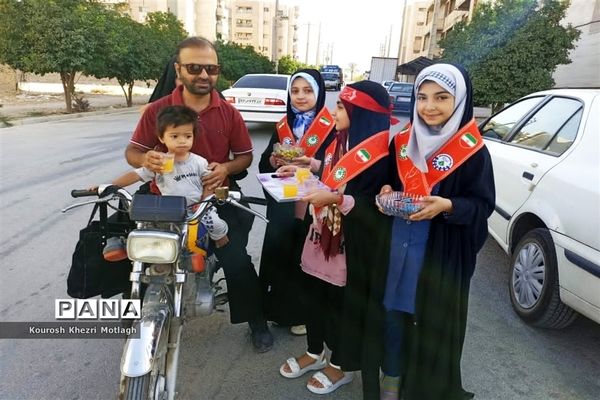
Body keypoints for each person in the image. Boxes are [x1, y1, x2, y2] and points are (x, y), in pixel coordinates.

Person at [125, 36, 273, 353]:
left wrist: (226, 169)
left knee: (237, 261)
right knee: (134, 255)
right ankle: (136, 312)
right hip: (164, 202)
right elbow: (133, 152)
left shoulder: (229, 113)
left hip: (214, 197)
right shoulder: (158, 110)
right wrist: (144, 159)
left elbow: (245, 156)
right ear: (179, 70)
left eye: (211, 68)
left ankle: (256, 322)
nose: (204, 75)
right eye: (194, 67)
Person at [378, 64, 495, 400]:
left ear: (459, 101)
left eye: (441, 98)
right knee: (392, 312)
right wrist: (386, 190)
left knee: (428, 319)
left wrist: (448, 205)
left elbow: (482, 205)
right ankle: (392, 376)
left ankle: (422, 387)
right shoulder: (402, 141)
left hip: (439, 251)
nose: (429, 106)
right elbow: (389, 179)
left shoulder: (474, 151)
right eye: (423, 97)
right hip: (398, 245)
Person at [278, 81, 393, 396]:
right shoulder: (338, 142)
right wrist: (305, 169)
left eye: (342, 107)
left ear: (363, 114)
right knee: (313, 298)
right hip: (320, 237)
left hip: (349, 248)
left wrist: (338, 201)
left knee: (341, 308)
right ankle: (315, 352)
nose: (334, 112)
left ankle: (340, 365)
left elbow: (375, 208)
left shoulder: (383, 157)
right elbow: (331, 179)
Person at [258, 69, 334, 335]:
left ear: (319, 93)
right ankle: (275, 310)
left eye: (308, 91)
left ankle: (301, 313)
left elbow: (335, 168)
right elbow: (265, 159)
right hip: (283, 204)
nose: (300, 97)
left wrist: (304, 169)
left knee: (305, 259)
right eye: (295, 90)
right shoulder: (283, 125)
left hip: (313, 206)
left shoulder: (332, 127)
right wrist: (274, 161)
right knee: (280, 253)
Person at [96, 105, 229, 258]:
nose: (182, 141)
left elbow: (209, 183)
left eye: (187, 136)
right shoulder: (160, 162)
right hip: (169, 210)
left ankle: (218, 246)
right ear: (161, 138)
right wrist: (110, 186)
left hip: (196, 208)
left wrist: (204, 200)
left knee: (215, 223)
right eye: (174, 136)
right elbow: (136, 175)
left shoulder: (199, 162)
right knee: (149, 233)